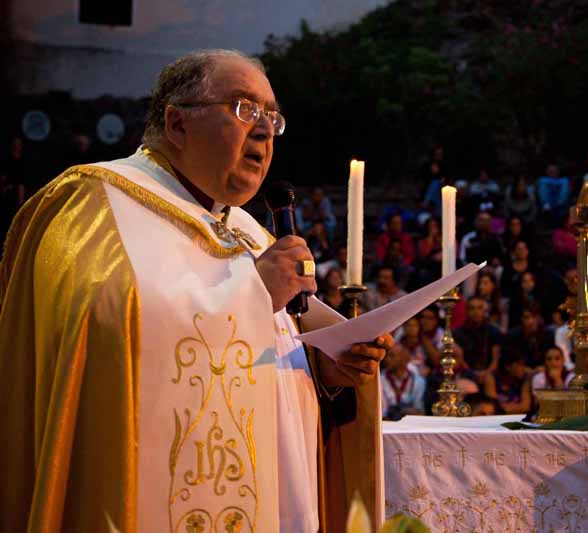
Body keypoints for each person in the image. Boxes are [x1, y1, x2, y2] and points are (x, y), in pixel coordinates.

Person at [0, 50, 392, 532]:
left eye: (273, 117)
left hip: (279, 494)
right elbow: (99, 334)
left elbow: (276, 347)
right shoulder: (96, 204)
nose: (266, 131)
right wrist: (250, 293)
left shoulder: (249, 230)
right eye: (245, 109)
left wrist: (330, 368)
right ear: (177, 123)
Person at [453, 297, 503, 384]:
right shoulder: (458, 333)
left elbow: (495, 361)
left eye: (479, 308)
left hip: (489, 373)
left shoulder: (493, 331)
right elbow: (460, 360)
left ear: (484, 310)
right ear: (467, 311)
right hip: (466, 373)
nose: (476, 312)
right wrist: (474, 374)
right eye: (472, 308)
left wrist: (486, 373)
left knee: (489, 379)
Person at [380, 344, 426, 420]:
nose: (386, 360)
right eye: (386, 356)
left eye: (392, 356)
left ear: (404, 359)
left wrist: (404, 412)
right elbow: (382, 412)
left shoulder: (418, 381)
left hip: (411, 423)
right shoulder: (380, 380)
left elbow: (420, 412)